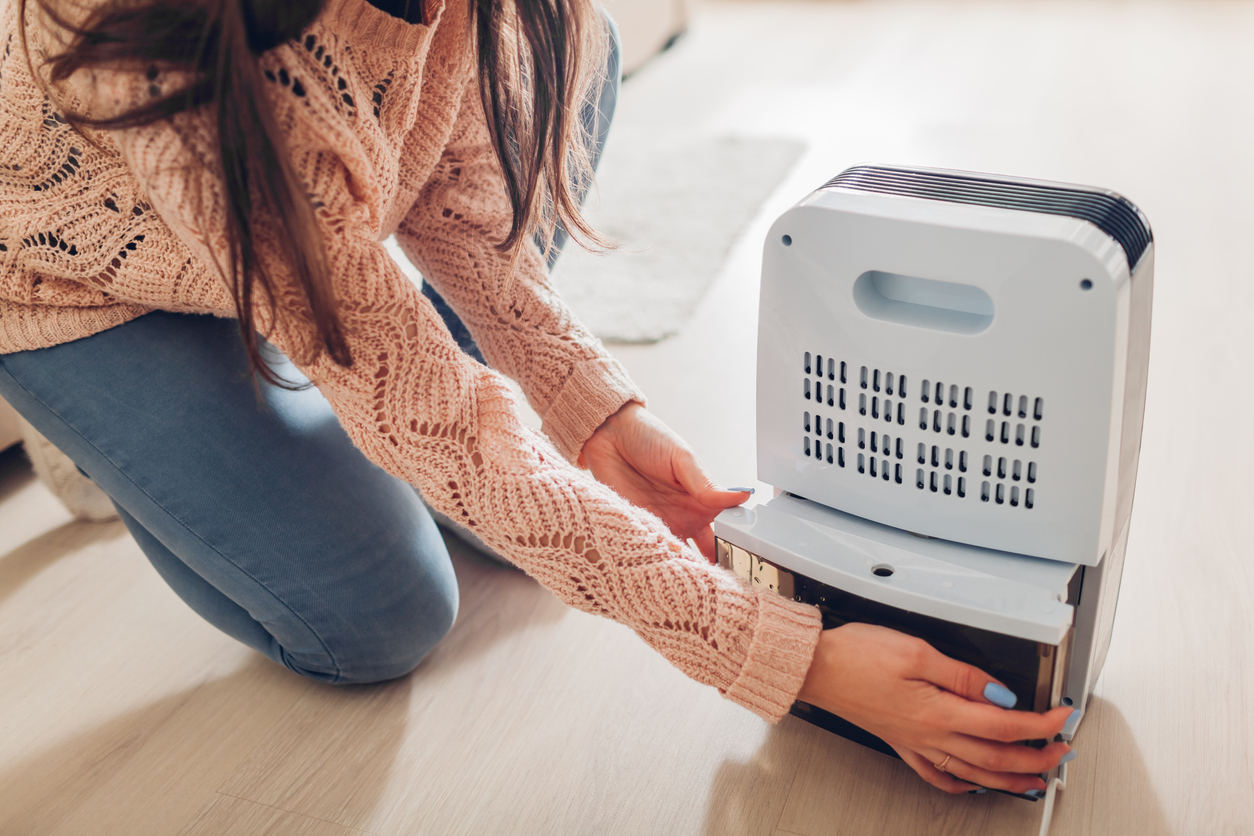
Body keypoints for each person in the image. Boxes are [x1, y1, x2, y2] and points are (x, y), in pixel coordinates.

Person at [0, 0, 1075, 796]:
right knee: (381, 619)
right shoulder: (139, 34)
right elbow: (428, 402)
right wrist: (784, 657)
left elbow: (461, 209)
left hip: (296, 233)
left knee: (576, 46)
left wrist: (592, 411)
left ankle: (327, 359)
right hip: (74, 279)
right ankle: (142, 415)